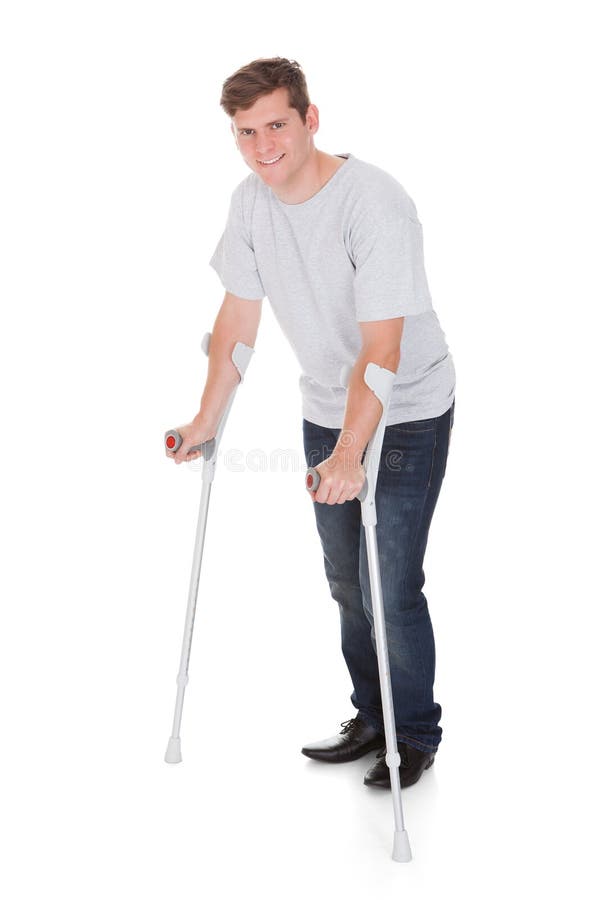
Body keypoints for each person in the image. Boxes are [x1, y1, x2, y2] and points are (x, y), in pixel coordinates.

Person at [166, 57, 456, 790]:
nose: (263, 147)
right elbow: (237, 316)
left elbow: (383, 352)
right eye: (245, 133)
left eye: (276, 126)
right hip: (326, 405)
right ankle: (372, 715)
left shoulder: (374, 205)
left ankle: (413, 731)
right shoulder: (250, 203)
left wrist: (352, 453)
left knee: (389, 582)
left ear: (309, 118)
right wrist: (206, 418)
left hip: (408, 406)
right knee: (345, 582)